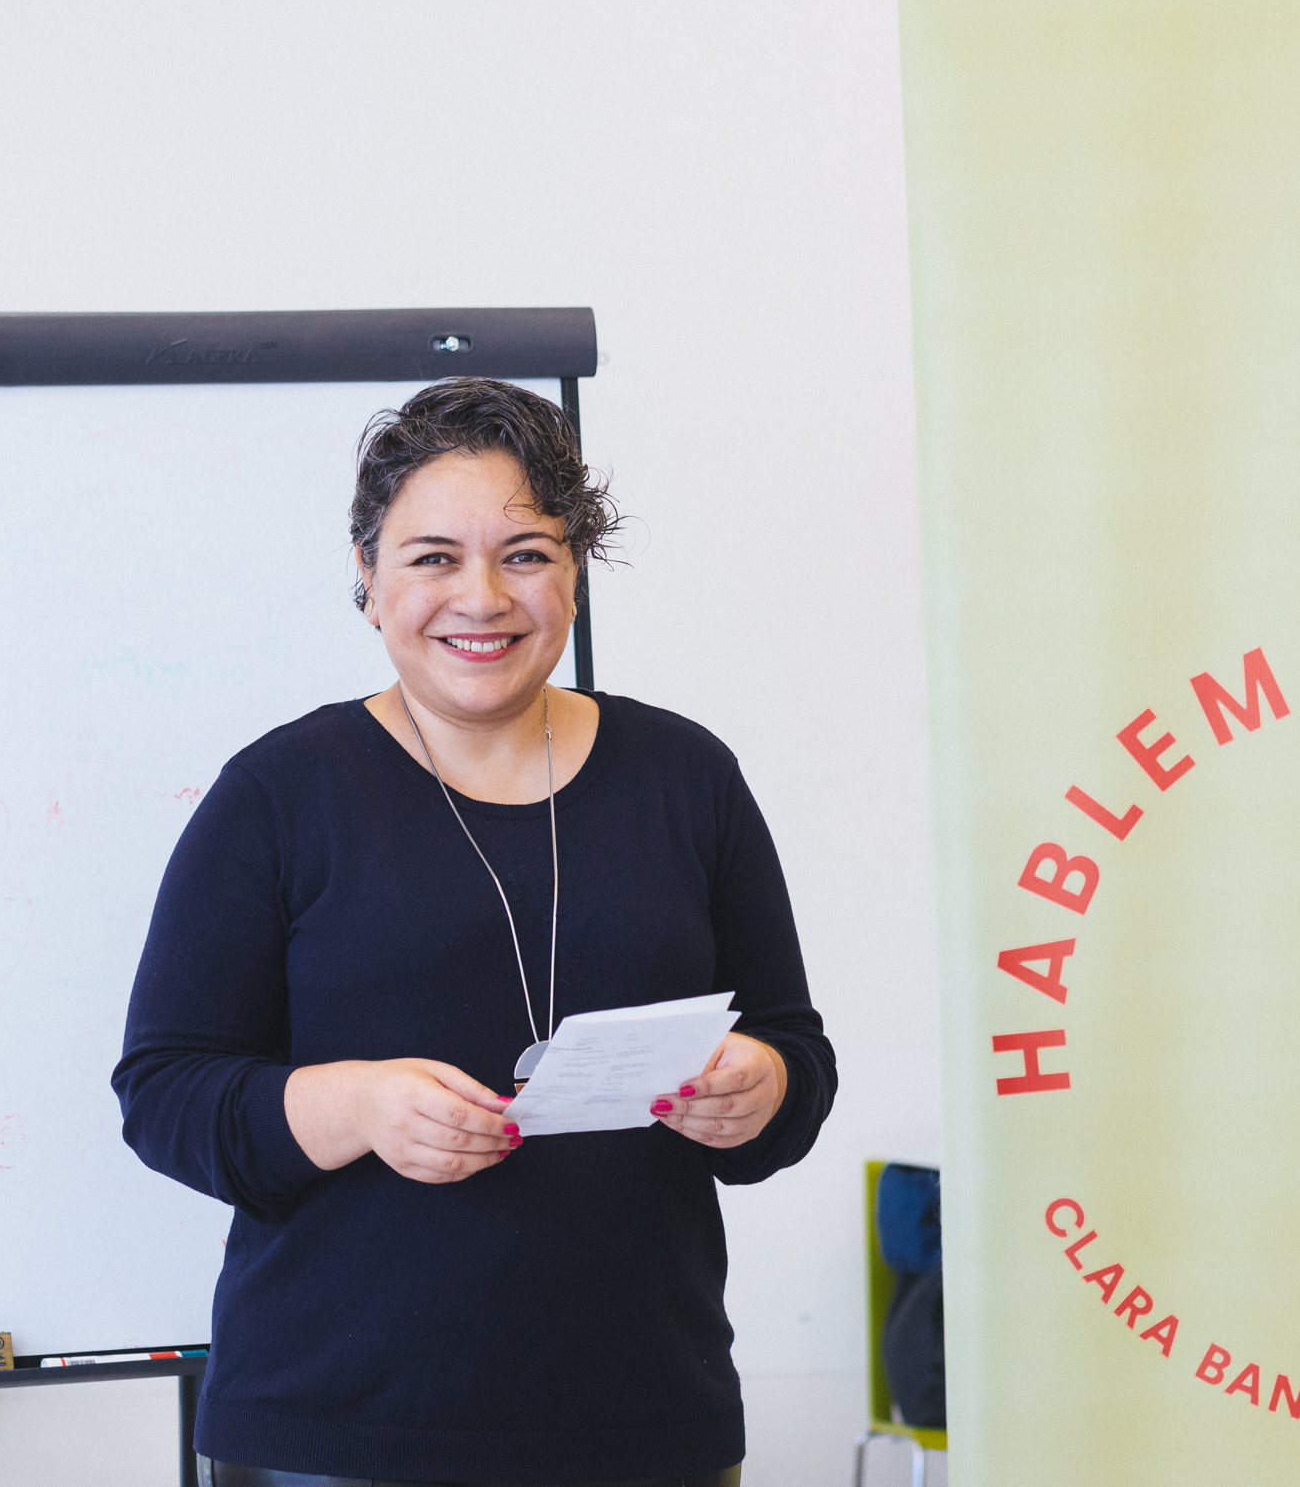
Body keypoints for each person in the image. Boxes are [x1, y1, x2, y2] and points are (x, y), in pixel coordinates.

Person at [114, 377, 835, 1486]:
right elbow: (164, 1093)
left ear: (575, 573)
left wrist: (762, 1087)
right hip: (332, 1438)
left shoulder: (687, 777)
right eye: (433, 558)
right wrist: (357, 1106)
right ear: (368, 579)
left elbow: (794, 1057)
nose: (482, 597)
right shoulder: (279, 794)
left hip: (645, 1423)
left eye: (526, 554)